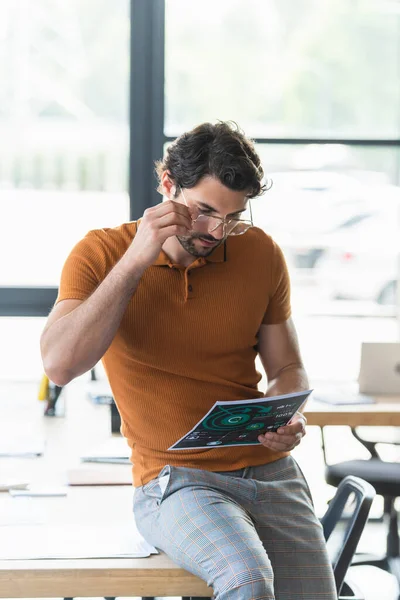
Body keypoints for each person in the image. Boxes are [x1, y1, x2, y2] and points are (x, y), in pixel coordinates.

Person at [40, 121, 336, 599]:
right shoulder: (100, 253)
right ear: (167, 185)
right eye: (204, 212)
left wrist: (287, 414)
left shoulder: (259, 252)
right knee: (247, 579)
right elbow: (60, 365)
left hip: (270, 471)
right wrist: (139, 257)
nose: (217, 232)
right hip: (175, 482)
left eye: (234, 216)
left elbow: (286, 369)